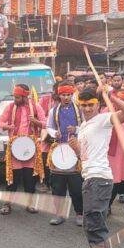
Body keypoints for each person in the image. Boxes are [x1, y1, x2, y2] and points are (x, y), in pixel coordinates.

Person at [68, 88, 124, 248]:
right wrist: (77, 149)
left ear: (98, 104)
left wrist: (110, 95)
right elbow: (86, 156)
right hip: (90, 179)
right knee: (94, 229)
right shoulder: (84, 126)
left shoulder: (104, 119)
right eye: (84, 105)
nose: (87, 109)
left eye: (91, 105)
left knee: (95, 230)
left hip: (99, 180)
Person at [0, 86, 45, 215]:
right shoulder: (10, 107)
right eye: (14, 97)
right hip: (14, 148)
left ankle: (29, 203)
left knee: (30, 178)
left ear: (25, 97)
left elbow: (45, 123)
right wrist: (8, 126)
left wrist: (36, 122)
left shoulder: (35, 106)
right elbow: (0, 123)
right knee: (12, 178)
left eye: (17, 97)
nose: (15, 99)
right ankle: (7, 204)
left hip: (31, 148)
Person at [46, 84, 84, 226]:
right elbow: (48, 127)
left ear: (72, 95)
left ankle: (80, 213)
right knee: (58, 187)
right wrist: (54, 133)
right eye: (63, 95)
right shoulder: (53, 111)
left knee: (76, 187)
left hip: (75, 150)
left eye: (68, 95)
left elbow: (87, 125)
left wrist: (76, 129)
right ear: (59, 95)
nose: (66, 97)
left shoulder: (80, 109)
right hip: (59, 151)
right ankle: (59, 214)